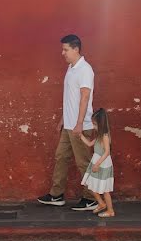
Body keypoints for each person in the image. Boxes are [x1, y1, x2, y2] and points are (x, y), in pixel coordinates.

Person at [37, 34, 98, 211]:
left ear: (76, 49)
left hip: (80, 126)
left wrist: (79, 123)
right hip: (69, 125)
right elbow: (70, 98)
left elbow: (85, 97)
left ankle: (90, 198)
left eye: (65, 49)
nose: (62, 52)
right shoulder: (71, 68)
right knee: (61, 157)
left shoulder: (85, 70)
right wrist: (63, 120)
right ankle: (56, 195)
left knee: (83, 162)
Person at [79, 108, 116, 217]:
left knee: (105, 190)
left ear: (101, 123)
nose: (93, 127)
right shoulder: (99, 135)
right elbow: (90, 144)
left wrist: (97, 164)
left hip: (102, 164)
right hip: (96, 162)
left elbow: (107, 152)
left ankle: (110, 211)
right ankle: (101, 203)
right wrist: (80, 135)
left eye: (95, 124)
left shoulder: (104, 136)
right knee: (90, 184)